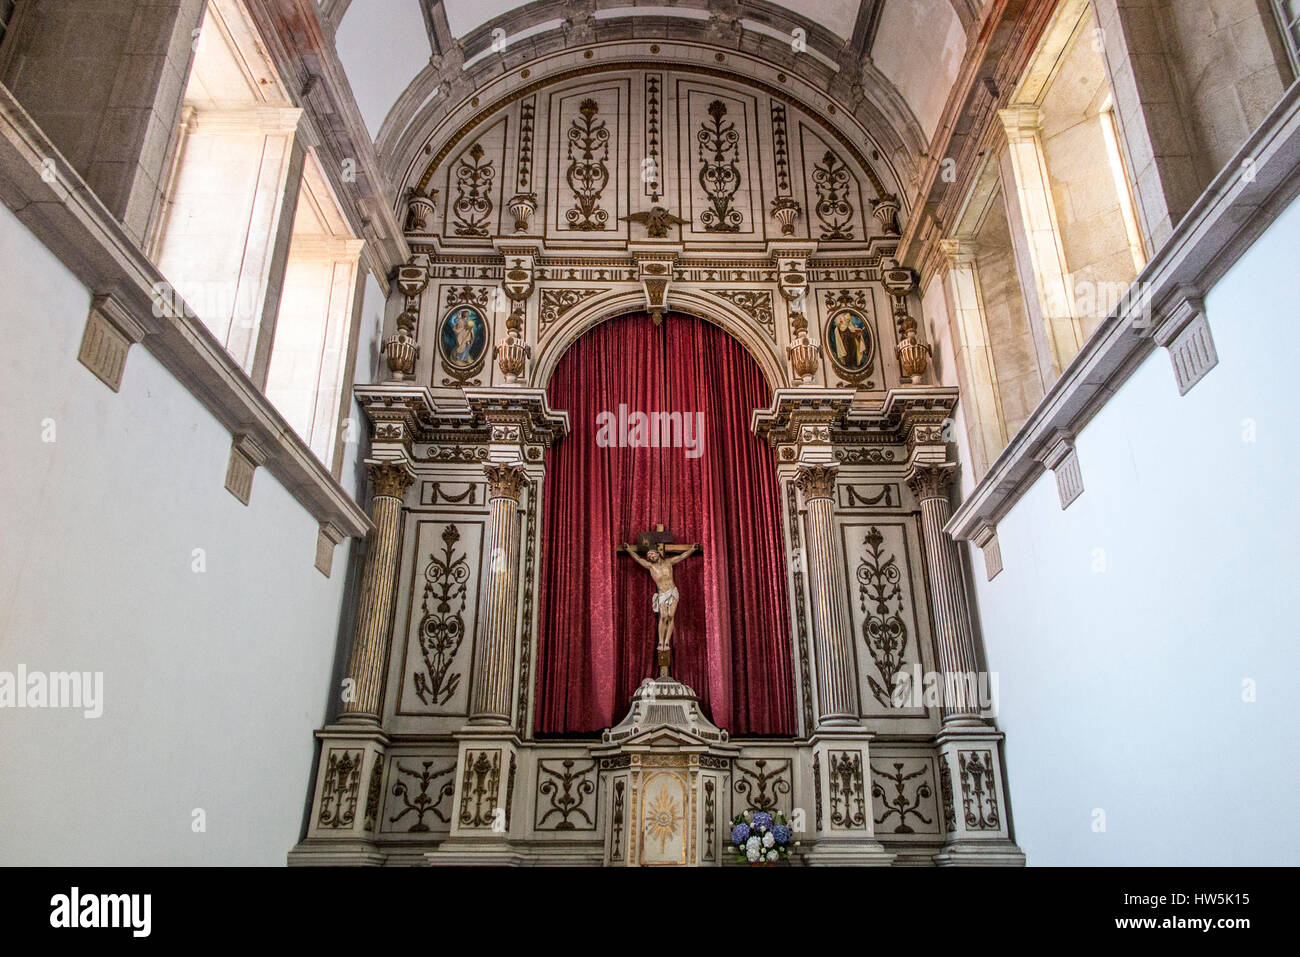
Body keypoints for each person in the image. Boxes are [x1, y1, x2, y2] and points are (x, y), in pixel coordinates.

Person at [624, 543, 699, 676]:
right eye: (649, 556)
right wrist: (629, 550)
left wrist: (692, 550)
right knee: (663, 617)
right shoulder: (650, 566)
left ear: (658, 554)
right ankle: (660, 641)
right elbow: (638, 559)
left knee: (671, 616)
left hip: (673, 591)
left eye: (652, 554)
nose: (651, 556)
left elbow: (682, 556)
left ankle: (666, 642)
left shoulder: (669, 562)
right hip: (662, 594)